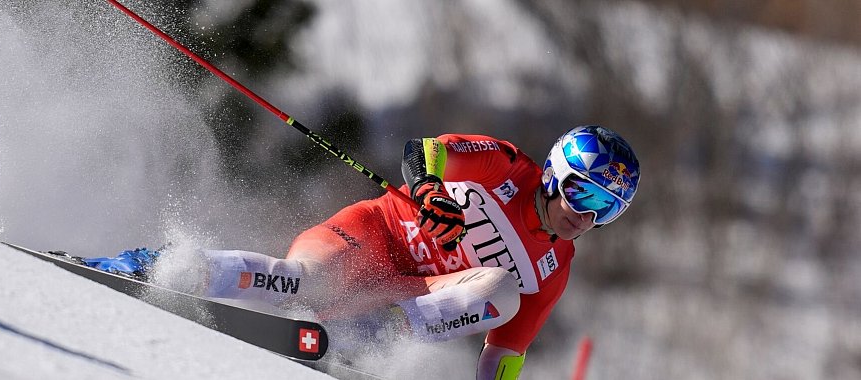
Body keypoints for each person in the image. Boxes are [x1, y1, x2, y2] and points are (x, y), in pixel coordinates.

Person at [199, 125, 640, 379]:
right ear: (553, 174)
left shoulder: (555, 267)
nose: (586, 217)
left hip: (399, 293)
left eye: (606, 209)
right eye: (582, 195)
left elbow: (503, 355)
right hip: (373, 236)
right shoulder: (505, 165)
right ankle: (182, 269)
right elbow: (425, 151)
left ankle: (363, 339)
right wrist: (431, 192)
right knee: (305, 280)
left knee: (503, 294)